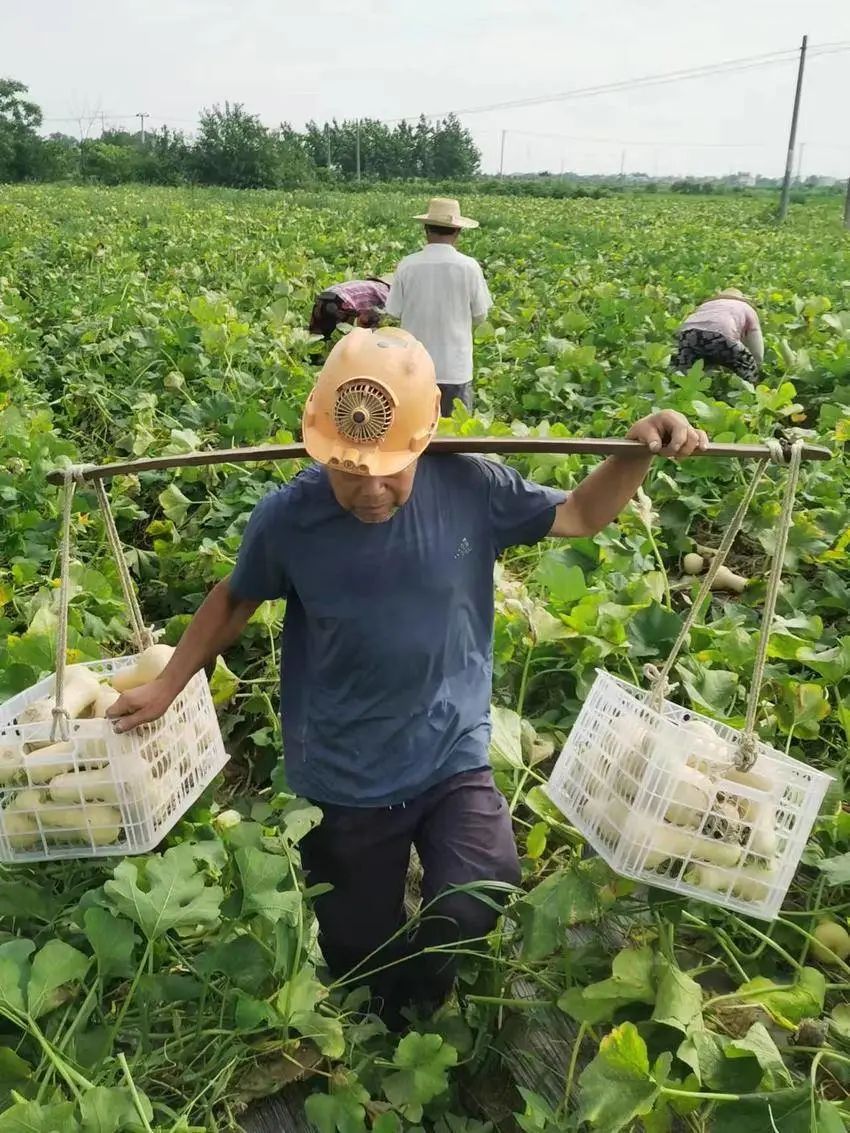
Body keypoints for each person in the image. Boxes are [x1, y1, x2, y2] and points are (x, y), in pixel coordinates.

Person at [108, 327, 708, 1026]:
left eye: (391, 468)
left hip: (449, 746)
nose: (370, 488)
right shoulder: (290, 519)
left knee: (479, 890)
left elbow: (577, 512)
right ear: (319, 445)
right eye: (348, 469)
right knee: (359, 948)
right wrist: (167, 681)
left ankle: (428, 991)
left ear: (425, 439)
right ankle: (384, 1009)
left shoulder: (470, 486)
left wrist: (634, 453)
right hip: (344, 770)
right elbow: (234, 597)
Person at [385, 198, 491, 417]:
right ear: (457, 230)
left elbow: (393, 312)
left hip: (413, 367)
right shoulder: (469, 267)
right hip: (455, 368)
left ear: (426, 229)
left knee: (413, 434)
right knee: (455, 437)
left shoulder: (408, 264)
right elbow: (480, 315)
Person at [672, 288, 764, 381]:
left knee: (687, 372)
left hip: (687, 333)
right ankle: (751, 389)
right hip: (720, 335)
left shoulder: (705, 305)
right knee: (747, 367)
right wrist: (757, 361)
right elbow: (755, 335)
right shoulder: (746, 307)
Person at [309, 275, 393, 340]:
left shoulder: (371, 284)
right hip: (340, 301)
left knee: (318, 333)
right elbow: (391, 312)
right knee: (339, 337)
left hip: (324, 297)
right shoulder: (385, 290)